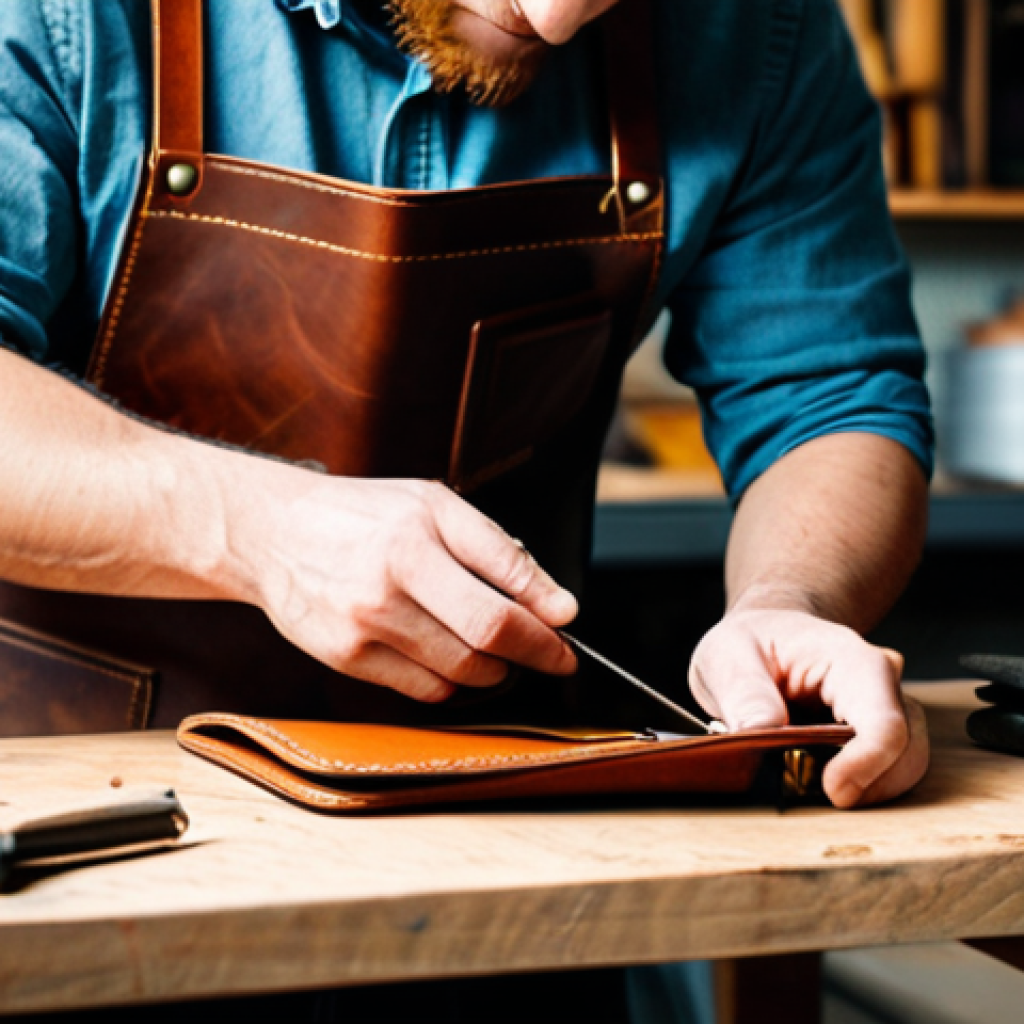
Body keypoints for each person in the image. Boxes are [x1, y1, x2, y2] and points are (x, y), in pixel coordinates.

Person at [0, 0, 931, 1019]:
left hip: (510, 864)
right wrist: (251, 527)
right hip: (80, 854)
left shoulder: (758, 31)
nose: (560, 15)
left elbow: (832, 394)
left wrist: (788, 600)